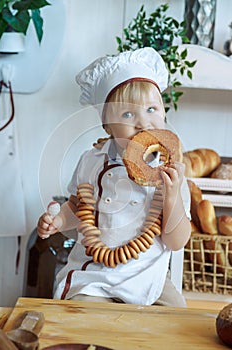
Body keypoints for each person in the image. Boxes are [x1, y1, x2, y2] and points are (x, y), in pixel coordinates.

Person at [37, 47, 191, 307]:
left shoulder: (172, 171)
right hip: (97, 273)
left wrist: (172, 195)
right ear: (107, 125)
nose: (143, 123)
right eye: (128, 114)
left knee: (177, 320)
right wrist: (59, 219)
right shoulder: (91, 161)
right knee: (84, 315)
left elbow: (176, 242)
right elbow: (78, 206)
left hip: (148, 276)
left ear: (165, 112)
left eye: (152, 109)